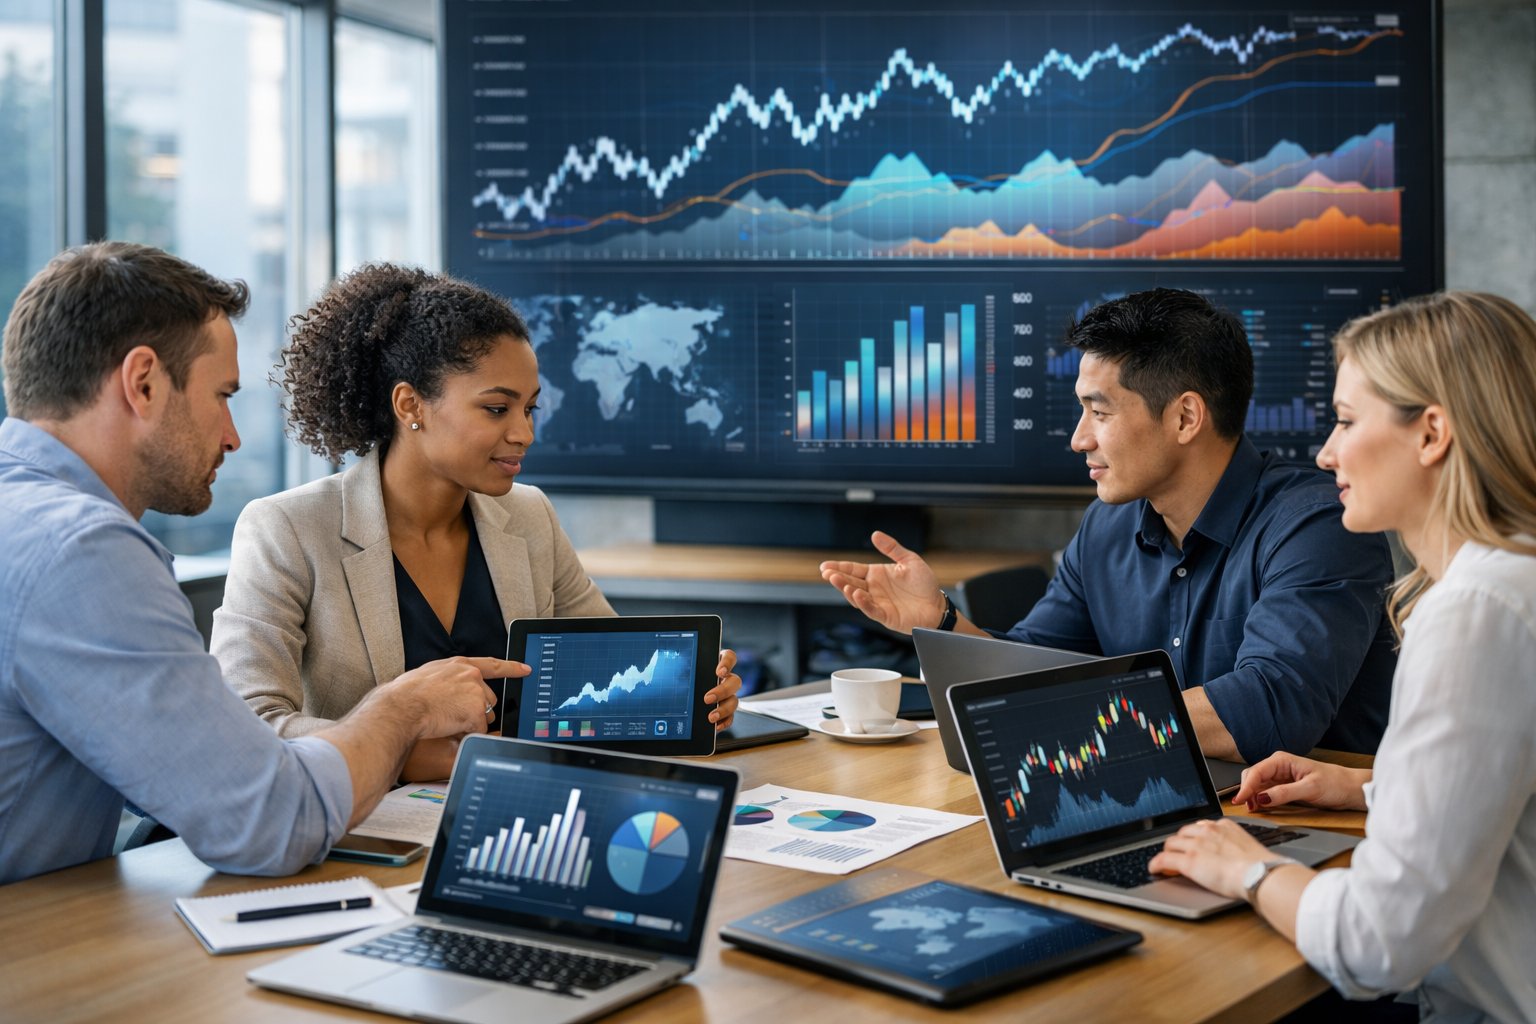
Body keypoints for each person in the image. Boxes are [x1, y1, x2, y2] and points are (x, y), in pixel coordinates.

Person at [0, 243, 523, 885]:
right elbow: (267, 822)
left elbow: (166, 773)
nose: (232, 435)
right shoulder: (81, 552)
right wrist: (405, 712)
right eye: (221, 396)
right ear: (142, 383)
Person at [1148, 292, 1536, 1023]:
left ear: (1431, 435)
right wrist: (1374, 789)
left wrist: (1247, 869)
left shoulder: (1474, 615)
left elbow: (1378, 943)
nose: (1326, 452)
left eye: (1349, 421)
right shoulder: (1513, 582)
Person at [821, 288, 1396, 763]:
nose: (1079, 438)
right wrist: (943, 622)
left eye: (1099, 412)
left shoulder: (1319, 525)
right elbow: (1028, 667)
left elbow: (1270, 709)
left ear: (1185, 417)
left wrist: (1059, 713)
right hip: (1151, 796)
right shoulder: (1106, 526)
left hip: (1315, 837)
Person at [210, 264, 740, 780]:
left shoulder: (528, 515)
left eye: (529, 409)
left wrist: (689, 695)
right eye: (496, 409)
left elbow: (612, 673)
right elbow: (241, 728)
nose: (524, 433)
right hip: (362, 830)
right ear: (410, 404)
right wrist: (394, 752)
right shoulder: (287, 529)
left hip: (518, 809)